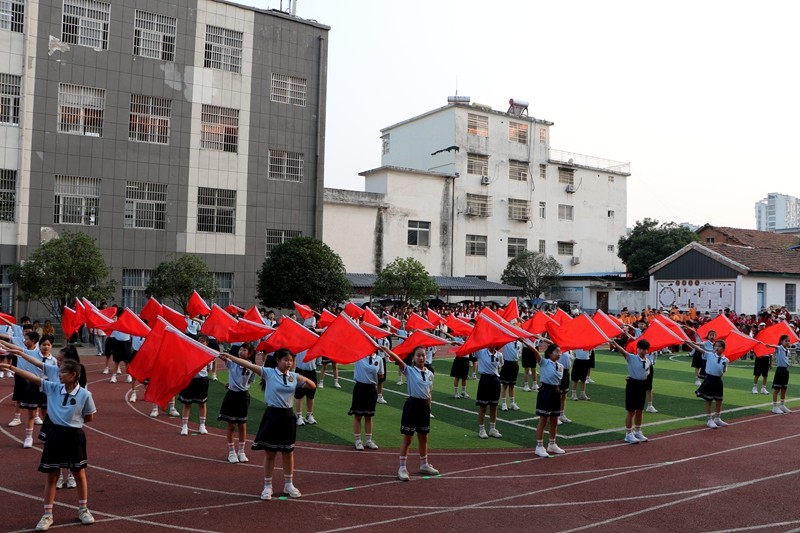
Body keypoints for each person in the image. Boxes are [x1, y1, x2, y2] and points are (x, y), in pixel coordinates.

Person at [0, 359, 97, 531]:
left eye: (63, 372)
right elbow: (34, 378)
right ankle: (47, 515)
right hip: (55, 434)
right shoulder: (53, 388)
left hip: (75, 436)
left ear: (73, 374)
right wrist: (12, 367)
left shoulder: (85, 395)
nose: (59, 375)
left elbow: (89, 416)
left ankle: (83, 509)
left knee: (79, 473)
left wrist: (72, 421)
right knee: (52, 475)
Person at [221, 347, 315, 500]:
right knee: (270, 453)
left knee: (288, 452)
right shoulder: (269, 373)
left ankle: (288, 484)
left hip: (288, 417)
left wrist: (302, 378)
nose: (288, 363)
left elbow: (312, 386)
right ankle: (267, 486)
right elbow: (248, 364)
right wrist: (230, 357)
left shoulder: (293, 376)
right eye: (285, 360)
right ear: (277, 360)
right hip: (273, 415)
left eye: (291, 360)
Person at [379, 344, 439, 481]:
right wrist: (388, 351)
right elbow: (399, 361)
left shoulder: (430, 374)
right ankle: (402, 468)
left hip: (424, 408)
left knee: (424, 437)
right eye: (418, 355)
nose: (421, 358)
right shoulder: (410, 371)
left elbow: (429, 393)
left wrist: (429, 407)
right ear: (413, 357)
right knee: (408, 438)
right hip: (412, 406)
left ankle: (424, 464)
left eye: (423, 355)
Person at [0, 331, 56, 448]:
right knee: (31, 414)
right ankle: (28, 437)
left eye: (48, 345)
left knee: (46, 414)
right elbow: (17, 349)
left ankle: (46, 435)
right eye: (44, 344)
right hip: (33, 385)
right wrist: (3, 344)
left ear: (51, 346)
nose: (46, 347)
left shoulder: (54, 361)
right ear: (39, 345)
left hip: (47, 387)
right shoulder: (32, 353)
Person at [218, 343, 257, 463]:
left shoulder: (252, 367)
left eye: (244, 350)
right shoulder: (232, 362)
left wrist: (239, 385)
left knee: (242, 425)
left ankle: (241, 451)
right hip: (232, 395)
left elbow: (250, 382)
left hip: (243, 396)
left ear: (250, 353)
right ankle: (231, 452)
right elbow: (222, 357)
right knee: (231, 425)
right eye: (240, 349)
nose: (241, 352)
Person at [526, 339, 565, 457]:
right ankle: (539, 446)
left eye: (559, 352)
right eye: (556, 352)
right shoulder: (544, 362)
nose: (559, 354)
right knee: (543, 420)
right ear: (549, 353)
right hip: (546, 392)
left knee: (554, 420)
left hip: (556, 392)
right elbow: (535, 352)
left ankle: (552, 444)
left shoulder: (560, 366)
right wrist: (526, 342)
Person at [609, 338, 651, 443]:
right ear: (637, 349)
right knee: (631, 410)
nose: (642, 351)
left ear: (647, 351)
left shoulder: (648, 361)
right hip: (633, 385)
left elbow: (646, 373)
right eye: (640, 348)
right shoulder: (632, 358)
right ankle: (628, 434)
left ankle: (638, 431)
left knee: (640, 410)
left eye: (644, 349)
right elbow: (623, 352)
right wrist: (615, 344)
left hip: (642, 385)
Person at [686, 337, 730, 428]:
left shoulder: (726, 360)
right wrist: (689, 343)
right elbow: (699, 349)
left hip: (718, 380)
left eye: (719, 346)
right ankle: (709, 420)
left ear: (723, 349)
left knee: (719, 400)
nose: (717, 348)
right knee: (709, 400)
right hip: (709, 379)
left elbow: (723, 371)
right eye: (715, 346)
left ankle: (717, 418)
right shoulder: (709, 355)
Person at [177, 334, 214, 436]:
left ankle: (202, 425)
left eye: (203, 341)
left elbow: (209, 368)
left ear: (207, 343)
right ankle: (184, 426)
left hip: (202, 380)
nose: (201, 343)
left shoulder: (209, 354)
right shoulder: (190, 352)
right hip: (190, 379)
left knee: (202, 403)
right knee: (187, 403)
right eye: (199, 340)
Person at [349, 350, 384, 450]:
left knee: (369, 416)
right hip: (360, 388)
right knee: (358, 415)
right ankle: (358, 441)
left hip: (371, 389)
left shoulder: (379, 359)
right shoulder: (359, 356)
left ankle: (369, 440)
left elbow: (381, 375)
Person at [474, 346, 503, 439]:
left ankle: (492, 429)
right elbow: (473, 347)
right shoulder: (481, 352)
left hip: (495, 380)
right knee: (483, 406)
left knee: (494, 406)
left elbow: (500, 366)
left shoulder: (499, 355)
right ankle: (482, 429)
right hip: (484, 380)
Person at [293, 349, 318, 426]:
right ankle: (299, 416)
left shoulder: (315, 344)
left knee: (311, 394)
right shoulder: (301, 344)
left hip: (312, 371)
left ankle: (309, 415)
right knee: (299, 394)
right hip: (301, 370)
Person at [770, 334, 792, 414]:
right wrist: (769, 345)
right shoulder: (780, 348)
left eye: (788, 341)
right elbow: (775, 346)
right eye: (786, 341)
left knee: (784, 388)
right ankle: (774, 407)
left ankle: (782, 405)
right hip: (780, 370)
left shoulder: (787, 350)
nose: (788, 342)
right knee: (777, 389)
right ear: (781, 341)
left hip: (785, 370)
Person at [499, 340, 521, 411]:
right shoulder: (508, 341)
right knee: (505, 385)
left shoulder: (519, 343)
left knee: (512, 385)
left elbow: (519, 353)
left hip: (515, 364)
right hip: (507, 363)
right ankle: (504, 403)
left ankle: (512, 403)